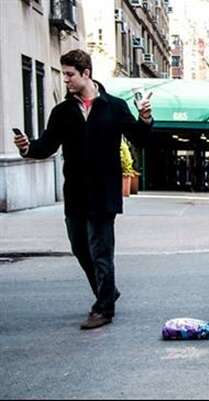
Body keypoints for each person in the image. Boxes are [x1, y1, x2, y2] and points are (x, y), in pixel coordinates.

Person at [13, 49, 153, 330]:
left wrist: (146, 118)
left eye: (69, 74)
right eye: (64, 74)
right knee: (80, 248)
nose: (65, 79)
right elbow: (47, 145)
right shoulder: (62, 112)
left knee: (101, 251)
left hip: (104, 192)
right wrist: (29, 148)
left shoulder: (114, 106)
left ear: (86, 73)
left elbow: (140, 138)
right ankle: (107, 291)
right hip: (75, 193)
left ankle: (104, 308)